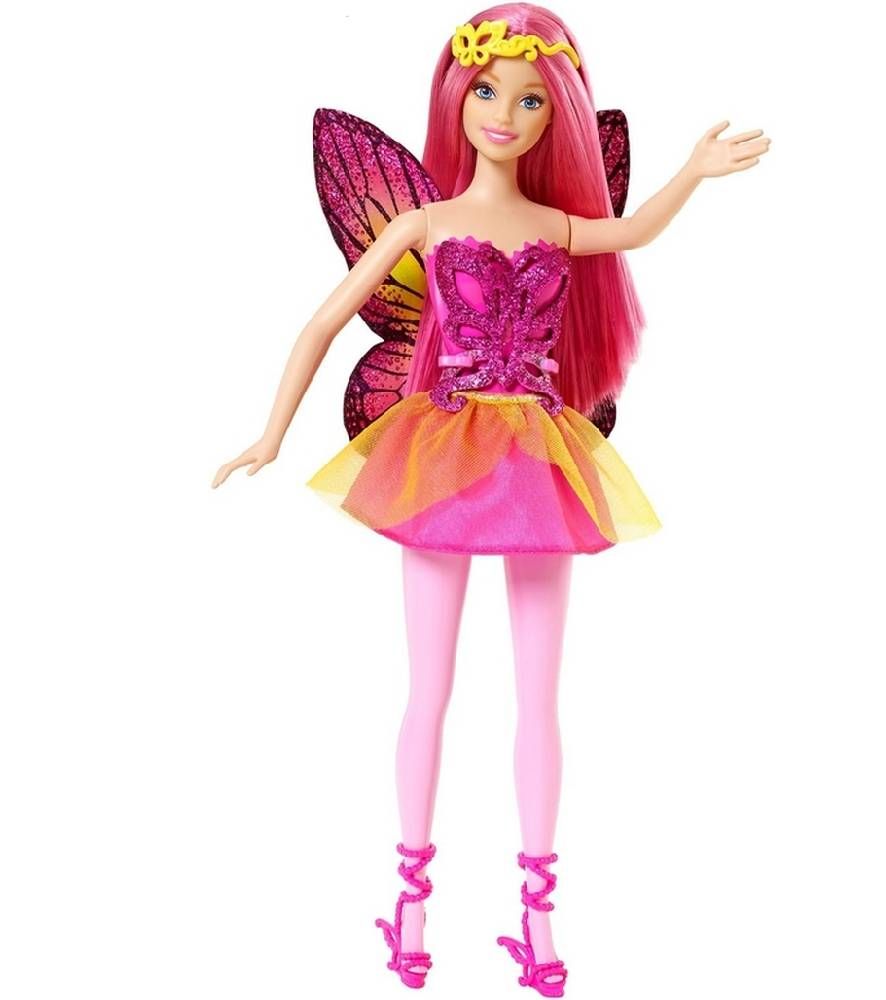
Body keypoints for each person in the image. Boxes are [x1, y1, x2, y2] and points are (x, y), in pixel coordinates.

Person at [212, 5, 770, 995]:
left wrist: (692, 170)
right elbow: (325, 320)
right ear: (456, 95)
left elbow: (633, 231)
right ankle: (411, 901)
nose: (503, 113)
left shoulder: (556, 224)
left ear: (557, 116)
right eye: (485, 91)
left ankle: (538, 916)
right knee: (428, 687)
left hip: (540, 458)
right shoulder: (424, 224)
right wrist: (270, 431)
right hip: (440, 454)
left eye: (529, 99)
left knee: (537, 694)